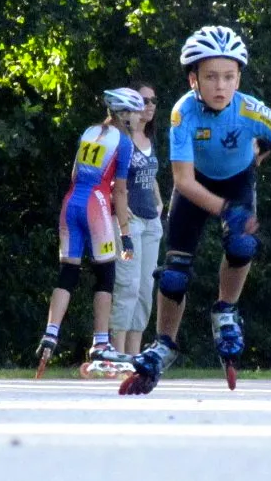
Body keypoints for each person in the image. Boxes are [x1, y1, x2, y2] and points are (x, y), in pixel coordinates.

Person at [118, 25, 271, 395]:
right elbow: (182, 181)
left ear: (239, 78)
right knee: (173, 276)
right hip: (196, 188)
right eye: (211, 76)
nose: (220, 86)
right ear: (193, 79)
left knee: (242, 247)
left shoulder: (250, 109)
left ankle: (225, 309)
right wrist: (223, 209)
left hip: (237, 182)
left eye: (229, 76)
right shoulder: (183, 112)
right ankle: (165, 342)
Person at [35, 87, 144, 378]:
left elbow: (74, 174)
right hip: (95, 202)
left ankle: (50, 334)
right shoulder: (124, 142)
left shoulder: (89, 132)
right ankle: (100, 342)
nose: (138, 116)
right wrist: (126, 232)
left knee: (68, 272)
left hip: (71, 202)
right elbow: (119, 190)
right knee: (105, 274)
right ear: (124, 114)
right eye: (134, 112)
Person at [110, 82, 164, 355]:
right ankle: (116, 354)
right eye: (144, 100)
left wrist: (159, 199)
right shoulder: (119, 138)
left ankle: (133, 357)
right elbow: (100, 174)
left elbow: (149, 174)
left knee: (145, 289)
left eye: (153, 100)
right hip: (129, 222)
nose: (150, 105)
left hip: (151, 223)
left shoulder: (149, 139)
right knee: (127, 286)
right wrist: (114, 199)